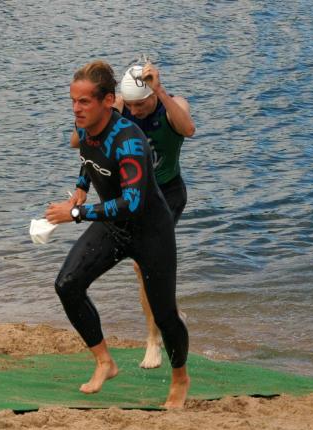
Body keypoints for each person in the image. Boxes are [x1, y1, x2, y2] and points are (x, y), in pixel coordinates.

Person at [46, 60, 190, 408]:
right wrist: (81, 189)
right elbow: (88, 158)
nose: (76, 109)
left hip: (150, 231)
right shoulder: (86, 127)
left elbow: (132, 203)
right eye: (73, 101)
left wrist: (75, 213)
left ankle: (180, 378)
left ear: (108, 101)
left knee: (165, 314)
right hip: (114, 226)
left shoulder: (130, 141)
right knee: (67, 284)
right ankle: (104, 362)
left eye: (84, 102)